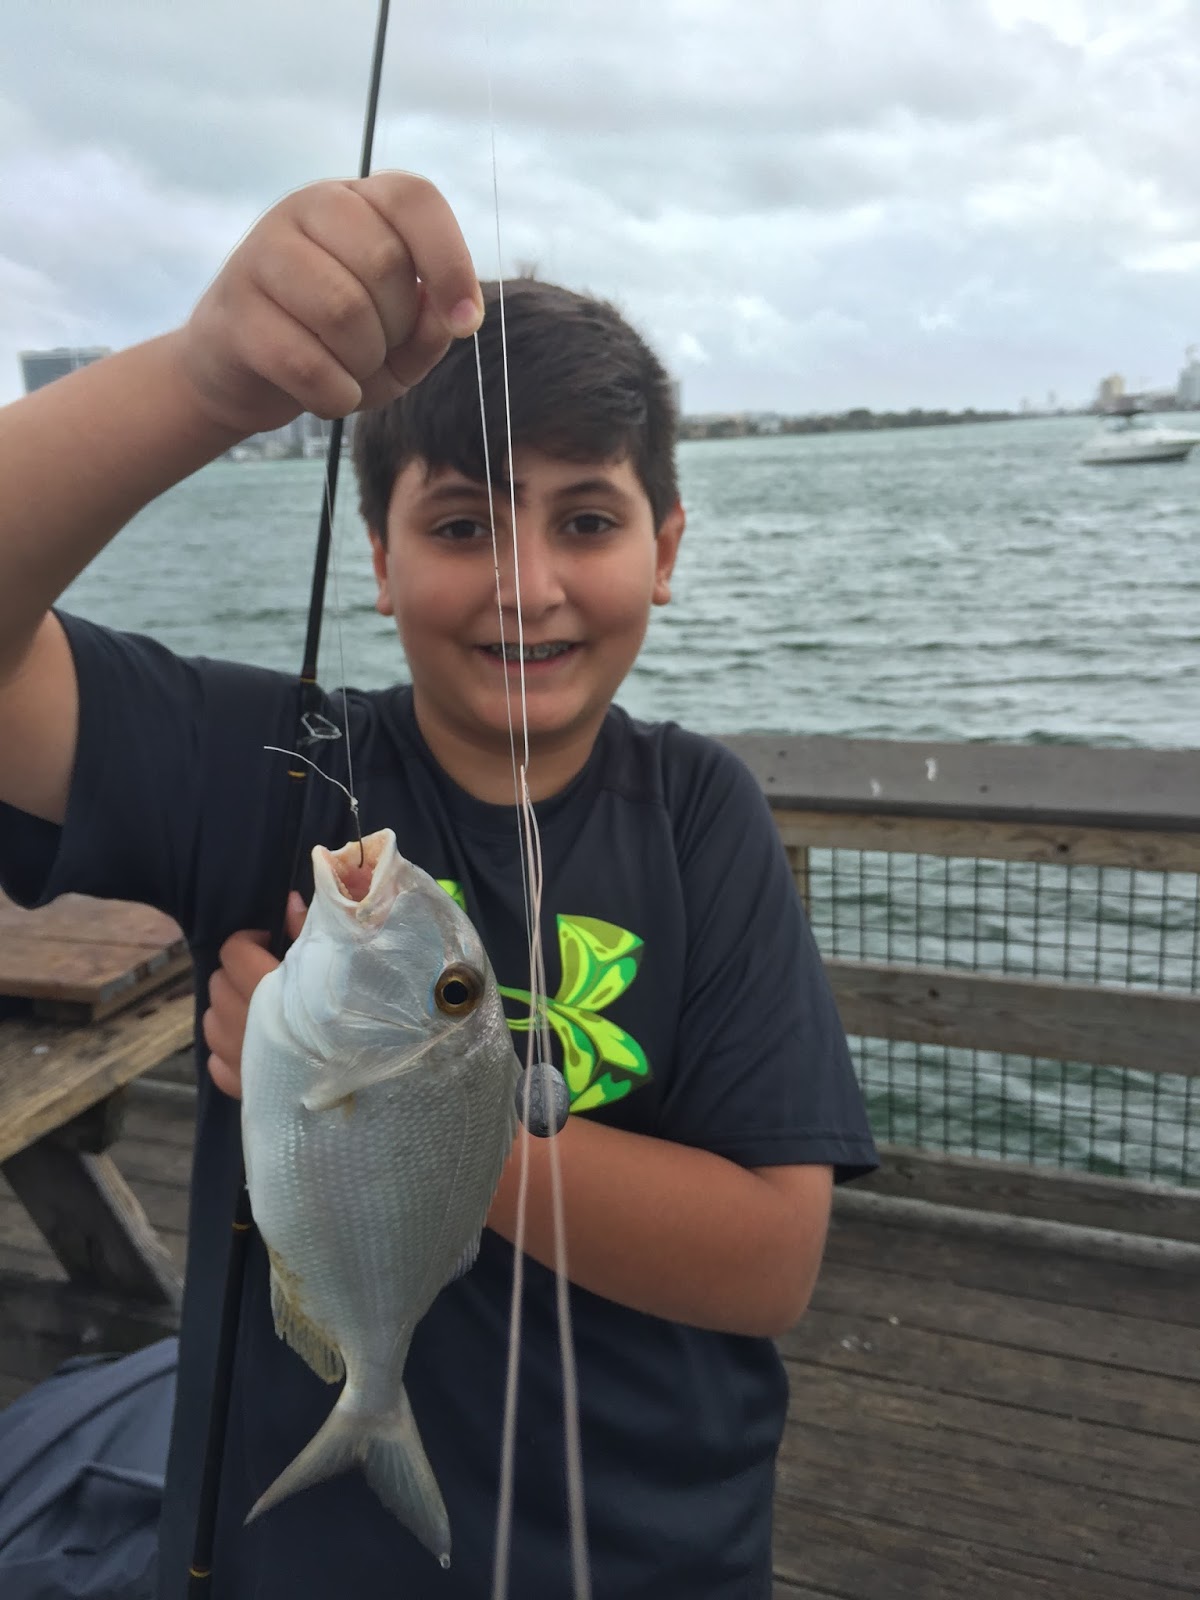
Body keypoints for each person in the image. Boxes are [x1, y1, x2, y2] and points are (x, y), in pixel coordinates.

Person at [0, 171, 878, 1599]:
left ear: (664, 551)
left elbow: (771, 1260)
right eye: (464, 526)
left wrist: (411, 1100)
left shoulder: (701, 814)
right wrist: (208, 376)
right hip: (294, 1557)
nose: (524, 586)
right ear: (381, 560)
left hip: (651, 1551)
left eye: (587, 523)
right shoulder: (274, 767)